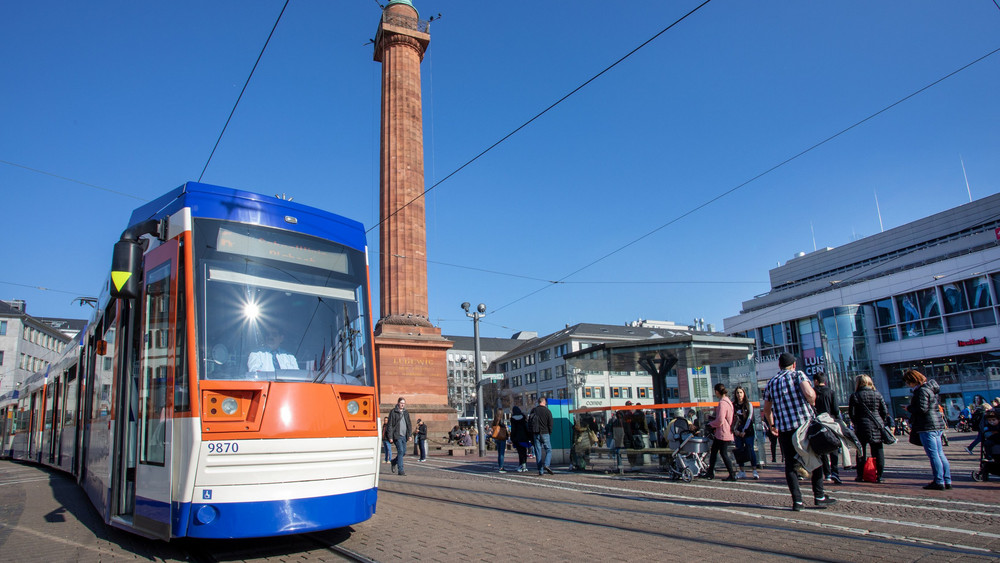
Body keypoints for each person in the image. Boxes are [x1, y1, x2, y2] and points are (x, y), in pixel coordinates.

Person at [762, 353, 836, 511]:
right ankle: (819, 496)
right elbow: (809, 393)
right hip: (803, 426)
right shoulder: (798, 375)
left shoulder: (772, 382)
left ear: (779, 366)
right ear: (793, 365)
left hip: (784, 429)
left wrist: (772, 424)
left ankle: (797, 501)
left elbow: (767, 409)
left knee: (790, 465)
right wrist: (812, 401)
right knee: (816, 457)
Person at [903, 369, 951, 490]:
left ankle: (939, 480)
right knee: (940, 453)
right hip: (936, 424)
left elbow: (921, 409)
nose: (908, 385)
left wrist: (909, 408)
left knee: (933, 454)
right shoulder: (931, 390)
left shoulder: (921, 391)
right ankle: (947, 479)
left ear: (913, 381)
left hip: (927, 425)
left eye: (909, 382)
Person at [848, 374, 889, 483]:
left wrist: (856, 422)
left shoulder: (855, 395)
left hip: (862, 425)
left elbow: (852, 413)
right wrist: (881, 420)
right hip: (877, 425)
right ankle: (879, 475)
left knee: (861, 451)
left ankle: (860, 475)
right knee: (878, 450)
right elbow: (884, 411)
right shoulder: (877, 394)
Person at [812, 373, 842, 484]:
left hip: (818, 422)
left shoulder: (813, 392)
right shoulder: (831, 392)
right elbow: (835, 409)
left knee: (822, 449)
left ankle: (827, 473)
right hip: (830, 421)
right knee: (833, 446)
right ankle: (835, 472)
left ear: (815, 381)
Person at [706, 383, 738, 481]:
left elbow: (720, 420)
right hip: (726, 431)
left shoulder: (722, 403)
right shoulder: (728, 402)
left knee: (722, 453)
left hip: (722, 432)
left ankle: (731, 474)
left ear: (717, 391)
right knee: (715, 451)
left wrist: (711, 424)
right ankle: (710, 471)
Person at [732, 386, 760, 480]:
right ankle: (742, 471)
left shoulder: (748, 404)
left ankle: (754, 470)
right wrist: (735, 430)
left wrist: (744, 430)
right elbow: (734, 419)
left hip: (748, 430)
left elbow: (749, 418)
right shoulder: (734, 405)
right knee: (739, 450)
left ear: (744, 394)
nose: (739, 394)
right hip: (738, 431)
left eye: (741, 392)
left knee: (750, 449)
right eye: (737, 393)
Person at [387, 397, 411, 476]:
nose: (402, 405)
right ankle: (401, 470)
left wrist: (409, 435)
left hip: (404, 435)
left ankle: (394, 462)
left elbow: (409, 424)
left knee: (403, 452)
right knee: (400, 451)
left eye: (404, 403)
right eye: (401, 403)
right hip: (397, 435)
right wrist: (390, 437)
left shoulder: (406, 412)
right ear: (398, 403)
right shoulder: (393, 412)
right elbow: (390, 425)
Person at [531, 397, 554, 475]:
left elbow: (530, 422)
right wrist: (549, 432)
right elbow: (550, 423)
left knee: (538, 451)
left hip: (536, 432)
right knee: (549, 449)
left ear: (538, 402)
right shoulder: (547, 411)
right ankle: (547, 464)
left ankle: (540, 471)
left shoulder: (534, 410)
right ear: (544, 402)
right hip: (545, 432)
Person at [509, 406, 532, 472]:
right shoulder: (523, 417)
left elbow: (513, 429)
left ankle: (521, 465)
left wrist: (512, 437)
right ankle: (524, 465)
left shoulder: (512, 419)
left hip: (517, 437)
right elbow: (526, 427)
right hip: (524, 437)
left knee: (520, 452)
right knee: (524, 451)